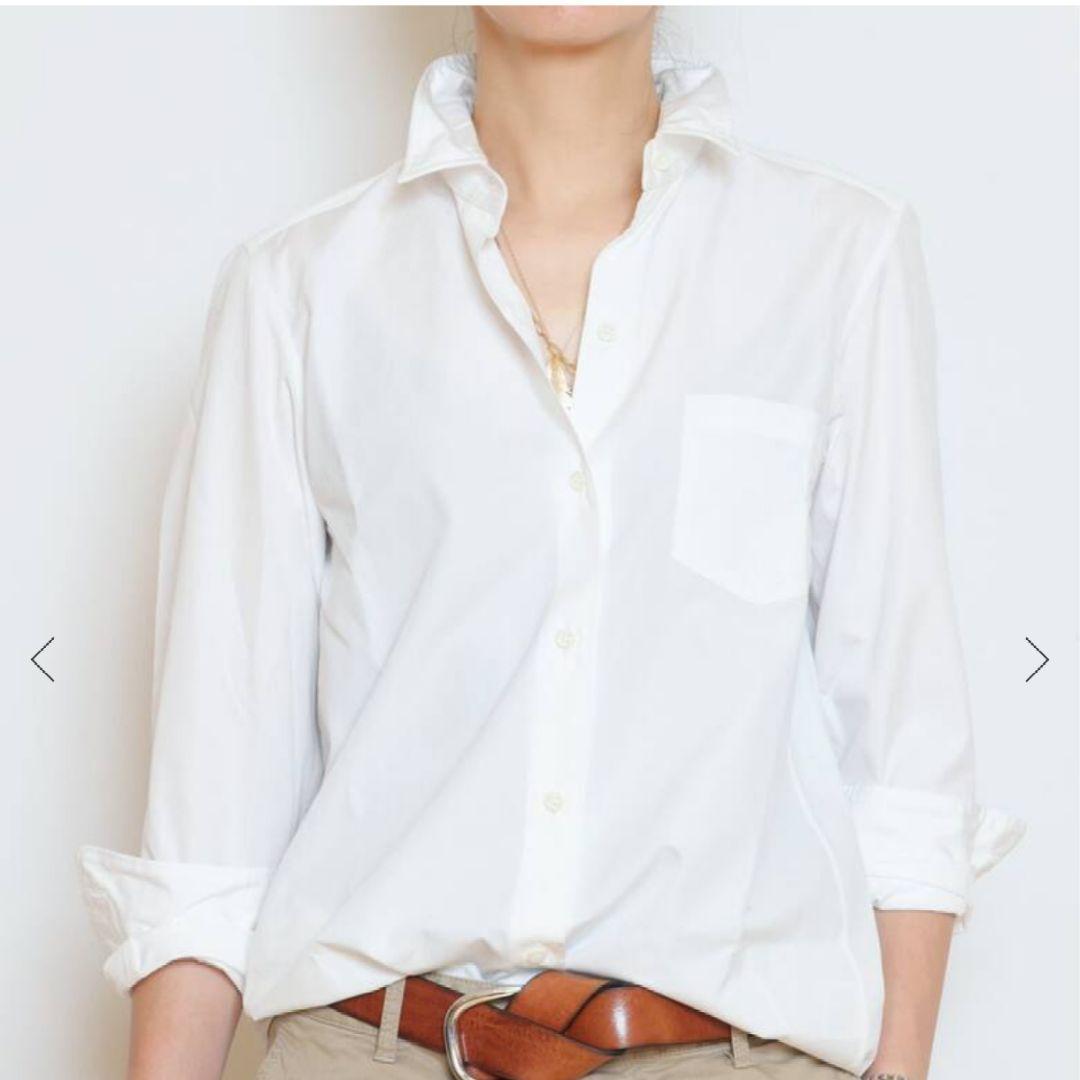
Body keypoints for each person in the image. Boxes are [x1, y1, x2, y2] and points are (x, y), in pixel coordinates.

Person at [78, 7, 1025, 1080]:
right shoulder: (298, 287)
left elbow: (902, 756)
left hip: (728, 1053)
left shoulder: (838, 258)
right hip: (367, 1046)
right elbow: (211, 828)